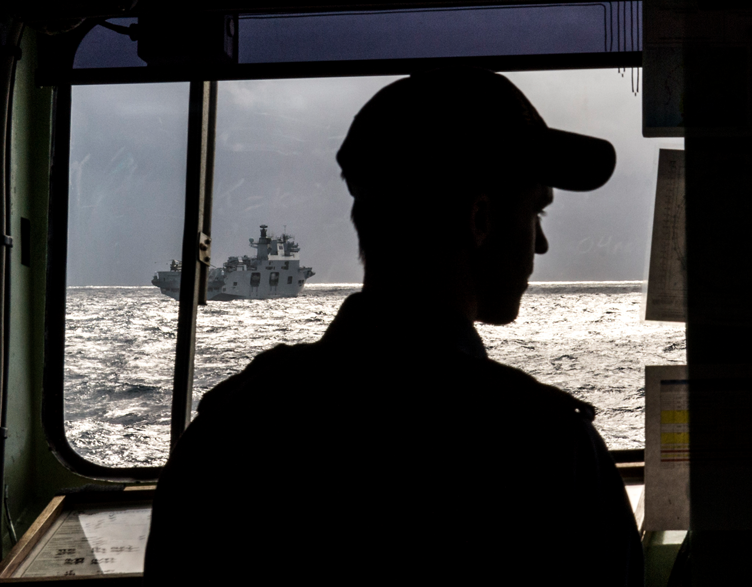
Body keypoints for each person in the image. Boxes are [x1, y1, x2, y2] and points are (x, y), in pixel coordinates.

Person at [144, 68, 641, 585]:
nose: (540, 244)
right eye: (537, 213)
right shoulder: (550, 450)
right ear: (480, 220)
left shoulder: (228, 429)